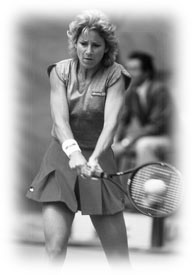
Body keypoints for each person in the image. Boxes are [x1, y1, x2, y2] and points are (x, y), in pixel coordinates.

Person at [26, 10, 131, 266]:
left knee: (119, 260)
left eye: (96, 45)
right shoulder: (59, 71)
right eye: (83, 43)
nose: (88, 51)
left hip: (99, 159)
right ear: (75, 43)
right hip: (60, 159)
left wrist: (93, 158)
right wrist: (73, 152)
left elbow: (111, 124)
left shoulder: (115, 74)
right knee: (54, 250)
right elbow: (60, 121)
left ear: (106, 48)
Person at [113, 51, 173, 173]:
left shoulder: (160, 90)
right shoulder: (132, 92)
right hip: (148, 137)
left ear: (147, 72)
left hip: (169, 138)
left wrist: (126, 142)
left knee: (144, 145)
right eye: (128, 69)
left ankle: (145, 187)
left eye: (134, 69)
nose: (129, 73)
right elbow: (123, 119)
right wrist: (115, 140)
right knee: (109, 148)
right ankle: (113, 189)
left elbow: (156, 126)